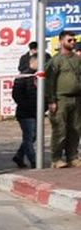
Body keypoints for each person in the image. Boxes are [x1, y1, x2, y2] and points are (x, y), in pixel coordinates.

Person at [48, 30, 81, 167]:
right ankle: (56, 159)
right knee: (60, 129)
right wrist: (51, 100)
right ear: (61, 41)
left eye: (74, 40)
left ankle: (72, 156)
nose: (73, 42)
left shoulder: (77, 59)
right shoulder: (56, 60)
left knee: (75, 129)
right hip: (61, 99)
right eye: (69, 40)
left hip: (77, 99)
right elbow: (50, 81)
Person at [12, 58, 38, 169]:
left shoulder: (39, 76)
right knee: (29, 136)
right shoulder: (23, 77)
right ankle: (34, 161)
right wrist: (27, 106)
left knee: (32, 137)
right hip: (25, 113)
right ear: (32, 63)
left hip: (36, 112)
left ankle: (19, 156)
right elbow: (16, 95)